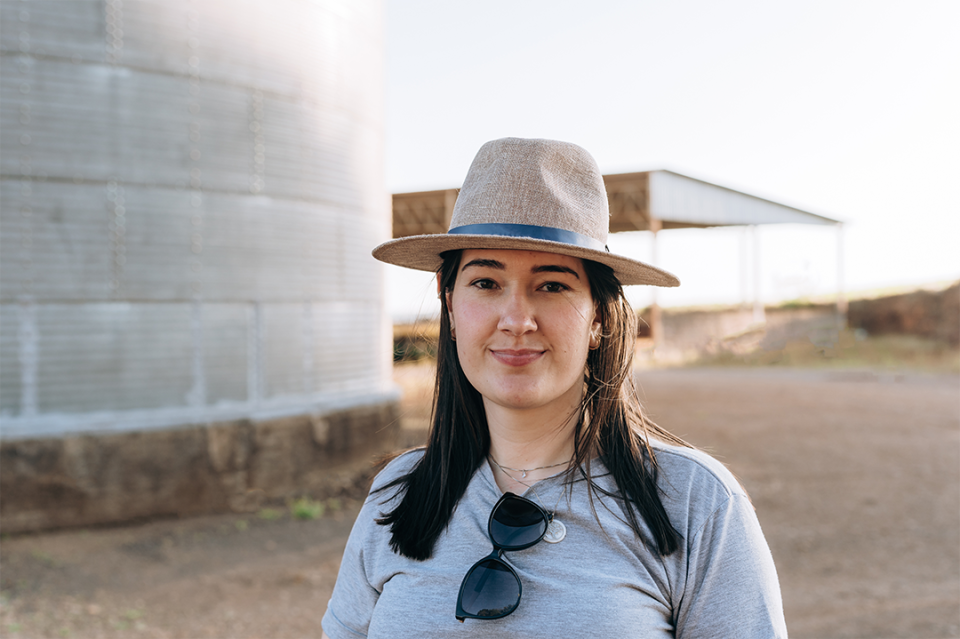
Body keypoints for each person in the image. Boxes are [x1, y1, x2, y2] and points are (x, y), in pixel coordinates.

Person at [321, 138, 787, 638]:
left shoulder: (695, 503)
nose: (517, 320)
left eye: (552, 285)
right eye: (485, 283)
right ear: (450, 303)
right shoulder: (399, 493)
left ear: (599, 318)